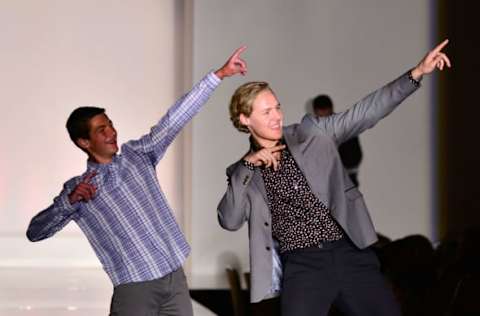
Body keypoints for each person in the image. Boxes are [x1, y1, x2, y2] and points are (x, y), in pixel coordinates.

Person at [217, 40, 450, 316]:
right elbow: (229, 220)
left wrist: (416, 73)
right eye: (267, 112)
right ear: (245, 120)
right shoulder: (243, 172)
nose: (277, 116)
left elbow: (364, 113)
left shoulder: (312, 132)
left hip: (349, 253)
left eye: (278, 107)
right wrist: (248, 165)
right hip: (303, 266)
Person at [26, 46, 248, 316]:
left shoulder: (137, 155)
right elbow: (35, 232)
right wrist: (68, 203)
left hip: (173, 277)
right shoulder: (78, 189)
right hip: (135, 288)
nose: (111, 132)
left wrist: (219, 75)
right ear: (84, 142)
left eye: (110, 124)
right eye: (101, 130)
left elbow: (173, 120)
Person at [312, 94, 363, 186]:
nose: (324, 120)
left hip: (345, 183)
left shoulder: (345, 127)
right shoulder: (312, 131)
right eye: (320, 115)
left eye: (325, 114)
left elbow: (354, 158)